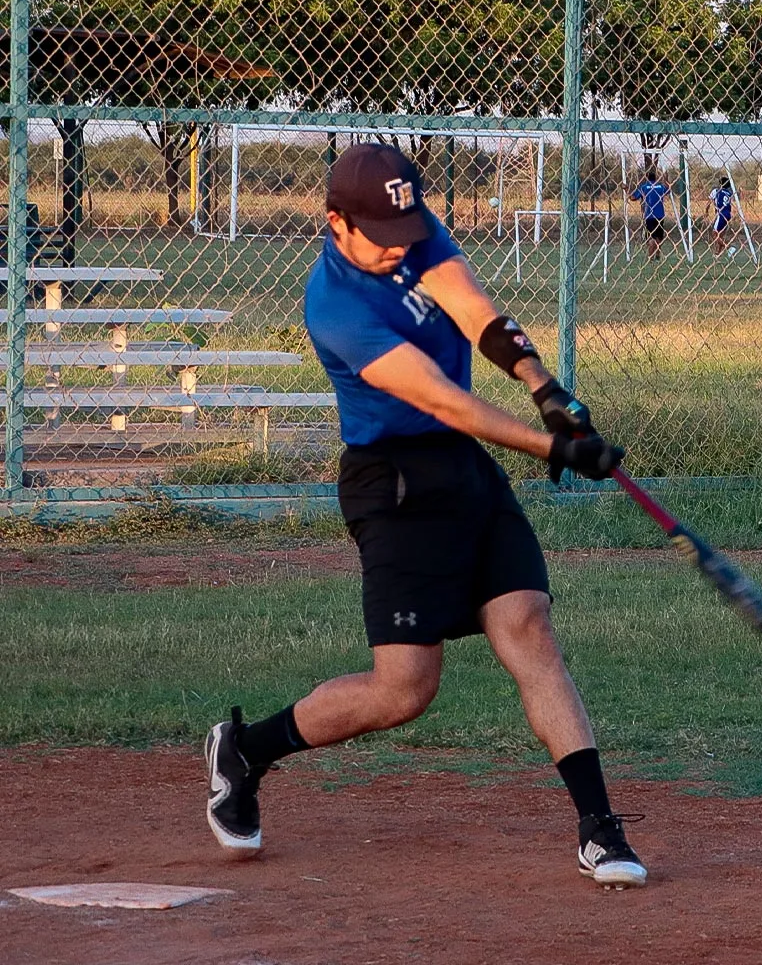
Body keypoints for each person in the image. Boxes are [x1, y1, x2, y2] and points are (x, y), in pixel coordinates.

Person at [203, 143, 648, 889]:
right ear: (335, 222)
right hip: (394, 486)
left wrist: (544, 387)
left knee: (528, 626)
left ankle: (599, 827)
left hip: (463, 471)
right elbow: (445, 399)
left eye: (404, 231)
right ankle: (246, 750)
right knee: (405, 689)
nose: (396, 247)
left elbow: (478, 312)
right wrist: (552, 447)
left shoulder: (410, 227)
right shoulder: (336, 305)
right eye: (380, 234)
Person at [630, 168, 671, 261]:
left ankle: (650, 257)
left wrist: (626, 190)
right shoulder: (660, 187)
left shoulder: (644, 187)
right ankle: (657, 256)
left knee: (651, 237)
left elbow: (633, 198)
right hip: (660, 215)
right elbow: (668, 190)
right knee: (659, 237)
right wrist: (666, 179)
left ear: (647, 178)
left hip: (649, 215)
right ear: (656, 178)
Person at [704, 175, 737, 258]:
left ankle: (729, 248)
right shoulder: (729, 193)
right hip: (728, 214)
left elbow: (709, 202)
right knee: (720, 235)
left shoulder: (716, 191)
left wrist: (706, 212)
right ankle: (717, 254)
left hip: (721, 214)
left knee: (715, 234)